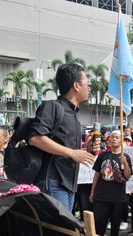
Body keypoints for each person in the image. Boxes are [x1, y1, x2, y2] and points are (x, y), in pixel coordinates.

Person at [28, 63, 95, 211]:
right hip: (53, 181)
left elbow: (64, 145)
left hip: (68, 184)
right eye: (87, 84)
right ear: (76, 86)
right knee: (59, 232)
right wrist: (72, 153)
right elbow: (35, 138)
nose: (89, 88)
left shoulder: (73, 113)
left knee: (66, 231)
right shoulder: (52, 107)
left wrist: (84, 150)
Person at [90, 130, 132, 236]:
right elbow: (97, 174)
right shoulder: (103, 155)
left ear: (121, 141)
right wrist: (92, 192)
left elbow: (128, 176)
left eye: (117, 137)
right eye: (112, 137)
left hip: (117, 197)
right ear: (108, 140)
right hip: (101, 196)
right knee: (99, 223)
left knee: (115, 224)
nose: (114, 139)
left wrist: (125, 164)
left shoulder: (125, 157)